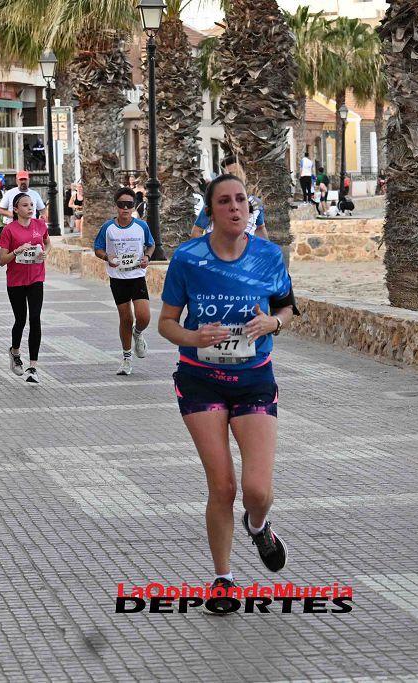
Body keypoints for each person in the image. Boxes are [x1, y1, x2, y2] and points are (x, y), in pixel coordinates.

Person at [158, 173, 298, 614]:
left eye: (242, 200)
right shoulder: (188, 259)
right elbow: (166, 323)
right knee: (223, 485)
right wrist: (193, 337)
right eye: (225, 201)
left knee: (257, 489)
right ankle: (223, 578)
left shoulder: (268, 256)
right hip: (201, 379)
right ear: (211, 211)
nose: (236, 208)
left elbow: (288, 308)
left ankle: (259, 527)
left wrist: (272, 324)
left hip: (254, 379)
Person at [93, 187, 155, 376]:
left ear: (134, 206)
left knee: (144, 317)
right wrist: (107, 258)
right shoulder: (108, 228)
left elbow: (151, 245)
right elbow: (98, 248)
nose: (125, 208)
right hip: (118, 278)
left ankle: (138, 334)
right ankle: (127, 358)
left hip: (137, 276)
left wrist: (147, 257)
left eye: (129, 205)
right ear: (116, 206)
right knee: (126, 318)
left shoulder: (141, 226)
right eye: (122, 205)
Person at [0, 193, 51, 384]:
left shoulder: (40, 225)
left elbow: (47, 242)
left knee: (35, 318)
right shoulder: (9, 230)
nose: (30, 208)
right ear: (16, 209)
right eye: (25, 205)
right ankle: (15, 352)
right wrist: (16, 251)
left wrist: (45, 253)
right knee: (20, 320)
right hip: (16, 281)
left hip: (36, 278)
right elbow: (1, 261)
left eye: (32, 205)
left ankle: (33, 368)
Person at [190, 156, 268, 240]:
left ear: (245, 174)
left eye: (235, 174)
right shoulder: (215, 202)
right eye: (228, 175)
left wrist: (267, 250)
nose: (232, 179)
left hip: (248, 251)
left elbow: (260, 228)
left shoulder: (256, 202)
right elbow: (197, 230)